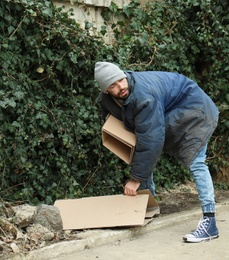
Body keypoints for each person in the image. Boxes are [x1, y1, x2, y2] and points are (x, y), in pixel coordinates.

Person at [94, 61, 219, 243]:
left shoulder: (143, 97)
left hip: (195, 108)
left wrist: (136, 179)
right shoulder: (108, 99)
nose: (121, 86)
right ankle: (148, 206)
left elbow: (151, 140)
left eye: (121, 79)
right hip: (174, 109)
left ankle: (210, 223)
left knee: (196, 161)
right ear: (105, 90)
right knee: (141, 143)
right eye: (113, 85)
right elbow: (114, 120)